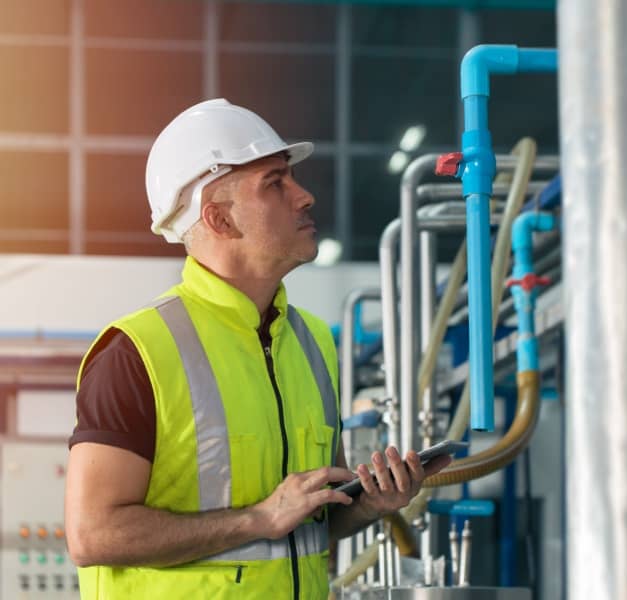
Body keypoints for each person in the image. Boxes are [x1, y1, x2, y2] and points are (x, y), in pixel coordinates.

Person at [64, 98, 451, 599]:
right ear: (220, 220)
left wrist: (371, 504)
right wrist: (257, 518)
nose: (305, 196)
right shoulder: (136, 352)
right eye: (275, 183)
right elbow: (93, 534)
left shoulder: (312, 344)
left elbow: (306, 527)